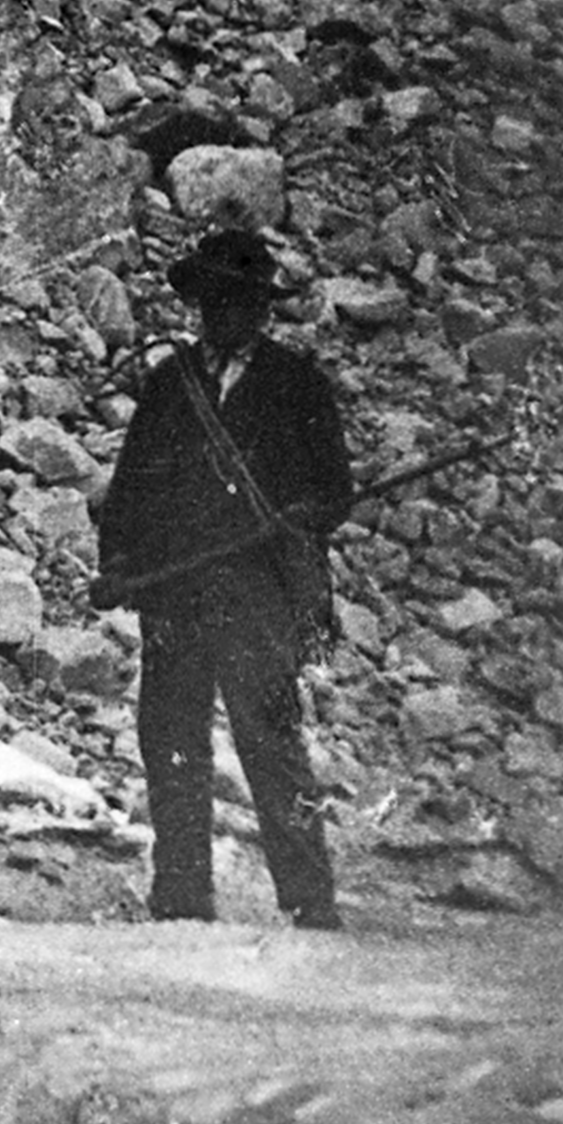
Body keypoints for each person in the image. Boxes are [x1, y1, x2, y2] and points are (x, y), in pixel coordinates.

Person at [94, 228, 357, 929]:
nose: (225, 313)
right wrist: (117, 564)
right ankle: (181, 898)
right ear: (200, 304)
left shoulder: (297, 384)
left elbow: (335, 493)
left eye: (240, 301)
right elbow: (131, 489)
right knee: (172, 740)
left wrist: (297, 518)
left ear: (263, 309)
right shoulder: (169, 384)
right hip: (175, 591)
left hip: (259, 592)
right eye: (214, 300)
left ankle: (310, 902)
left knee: (270, 741)